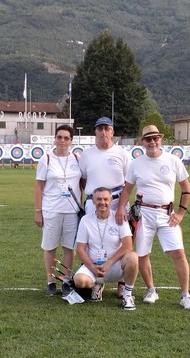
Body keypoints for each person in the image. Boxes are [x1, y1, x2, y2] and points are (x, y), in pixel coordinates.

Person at [115, 125, 190, 311]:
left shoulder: (173, 161)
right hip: (144, 213)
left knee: (178, 253)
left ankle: (185, 295)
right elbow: (127, 189)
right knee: (143, 254)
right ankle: (151, 290)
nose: (152, 142)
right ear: (142, 142)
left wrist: (180, 214)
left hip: (167, 214)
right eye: (148, 139)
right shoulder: (136, 163)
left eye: (155, 138)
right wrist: (121, 208)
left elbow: (186, 189)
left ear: (160, 139)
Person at [79, 116, 131, 298]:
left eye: (106, 129)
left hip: (118, 201)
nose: (103, 132)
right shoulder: (86, 154)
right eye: (99, 128)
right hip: (94, 201)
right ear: (95, 132)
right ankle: (97, 280)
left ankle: (122, 282)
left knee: (120, 240)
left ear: (112, 132)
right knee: (93, 240)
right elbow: (83, 180)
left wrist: (122, 206)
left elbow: (129, 183)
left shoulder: (122, 153)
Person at [34, 125, 82, 297]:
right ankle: (51, 282)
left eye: (66, 138)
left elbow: (82, 185)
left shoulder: (77, 159)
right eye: (59, 137)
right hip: (51, 210)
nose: (62, 141)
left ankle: (67, 280)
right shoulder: (46, 159)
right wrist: (38, 211)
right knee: (50, 247)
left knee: (69, 248)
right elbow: (39, 186)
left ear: (71, 141)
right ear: (55, 138)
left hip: (71, 212)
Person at [74, 187, 139, 310]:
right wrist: (92, 267)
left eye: (105, 199)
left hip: (115, 266)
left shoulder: (119, 217)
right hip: (94, 266)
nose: (102, 202)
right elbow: (80, 249)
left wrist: (109, 263)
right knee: (79, 281)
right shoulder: (85, 220)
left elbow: (128, 245)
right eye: (98, 199)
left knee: (133, 257)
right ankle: (97, 284)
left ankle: (127, 295)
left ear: (110, 201)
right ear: (93, 201)